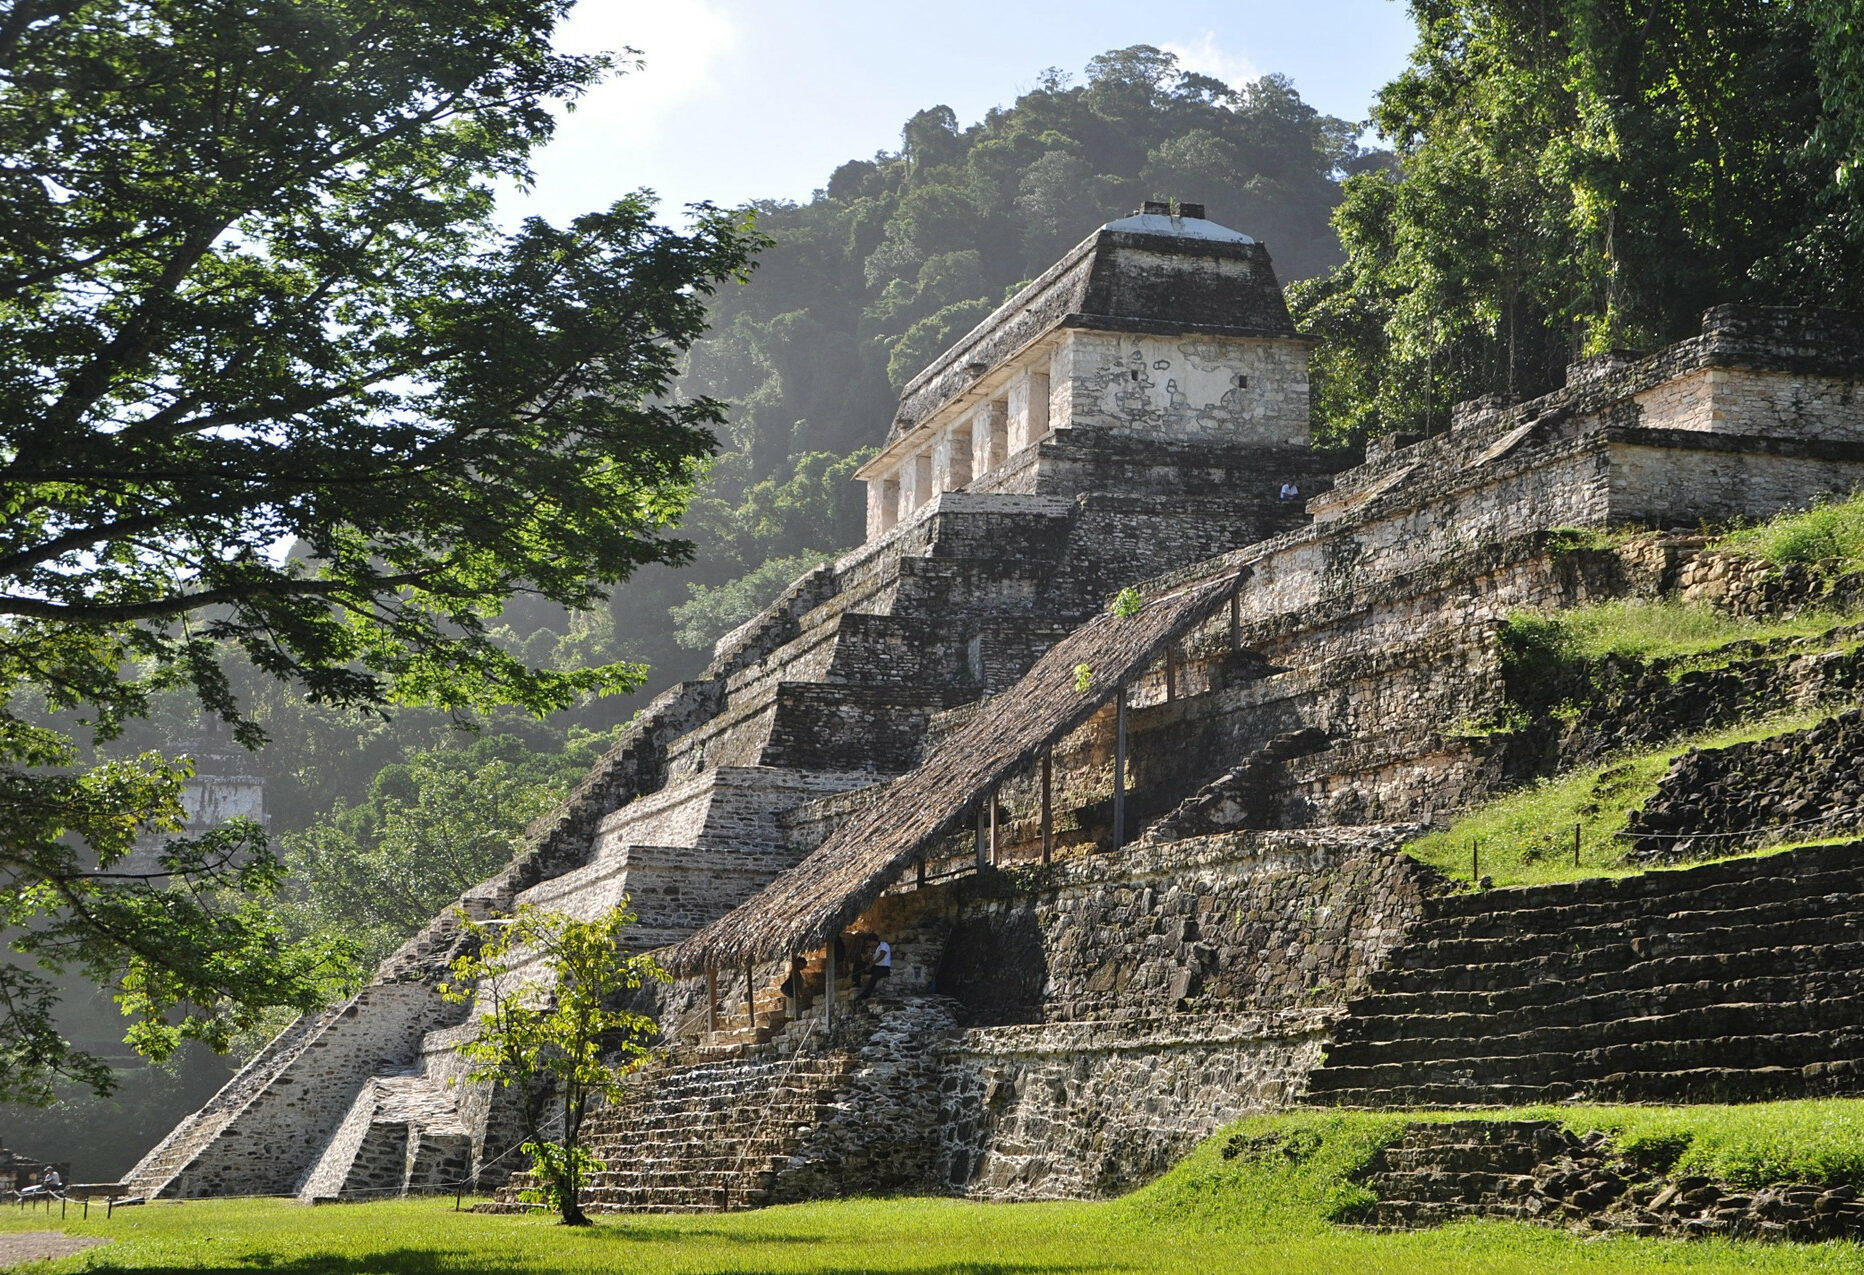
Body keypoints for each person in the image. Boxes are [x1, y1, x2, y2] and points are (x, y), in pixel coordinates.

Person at [855, 935, 892, 1001]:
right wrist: (868, 958)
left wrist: (871, 964)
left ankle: (866, 994)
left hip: (884, 968)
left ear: (872, 941)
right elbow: (871, 960)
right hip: (876, 966)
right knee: (858, 965)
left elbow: (882, 955)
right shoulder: (873, 948)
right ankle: (856, 983)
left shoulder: (884, 945)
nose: (868, 944)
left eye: (868, 943)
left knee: (874, 977)